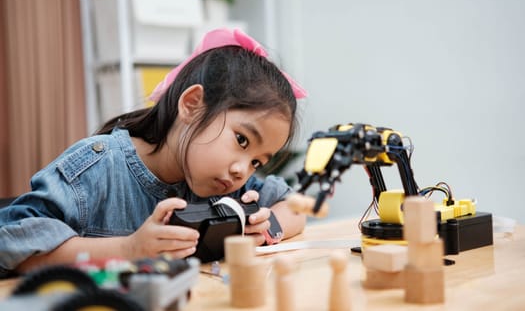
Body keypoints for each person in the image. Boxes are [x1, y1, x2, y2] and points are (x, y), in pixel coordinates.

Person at [0, 28, 308, 278]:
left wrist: (266, 226)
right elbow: (11, 245)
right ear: (192, 105)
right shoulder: (97, 167)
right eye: (241, 140)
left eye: (257, 161)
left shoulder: (224, 181)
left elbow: (296, 207)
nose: (243, 170)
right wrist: (129, 250)